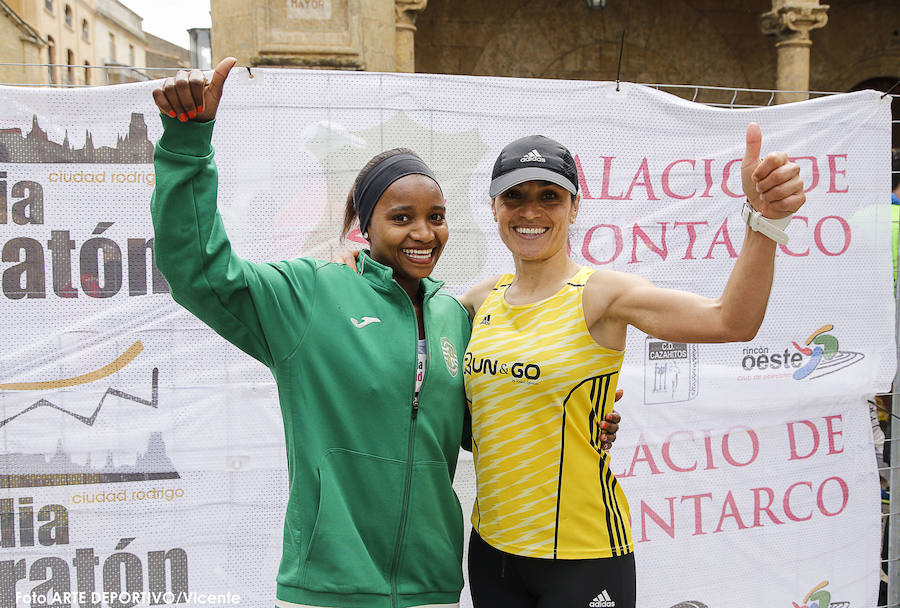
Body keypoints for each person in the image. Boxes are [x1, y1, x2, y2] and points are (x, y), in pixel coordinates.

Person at [149, 57, 621, 608]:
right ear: (365, 224)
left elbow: (477, 426)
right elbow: (200, 271)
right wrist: (186, 146)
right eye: (401, 217)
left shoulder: (454, 314)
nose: (424, 232)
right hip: (329, 587)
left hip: (433, 583)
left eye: (437, 215)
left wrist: (571, 416)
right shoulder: (309, 294)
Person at [458, 132, 806, 608]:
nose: (530, 211)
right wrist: (357, 266)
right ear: (494, 207)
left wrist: (763, 223)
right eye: (514, 196)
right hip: (492, 550)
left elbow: (731, 320)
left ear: (574, 207)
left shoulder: (602, 295)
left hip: (583, 554)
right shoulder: (478, 302)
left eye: (549, 197)